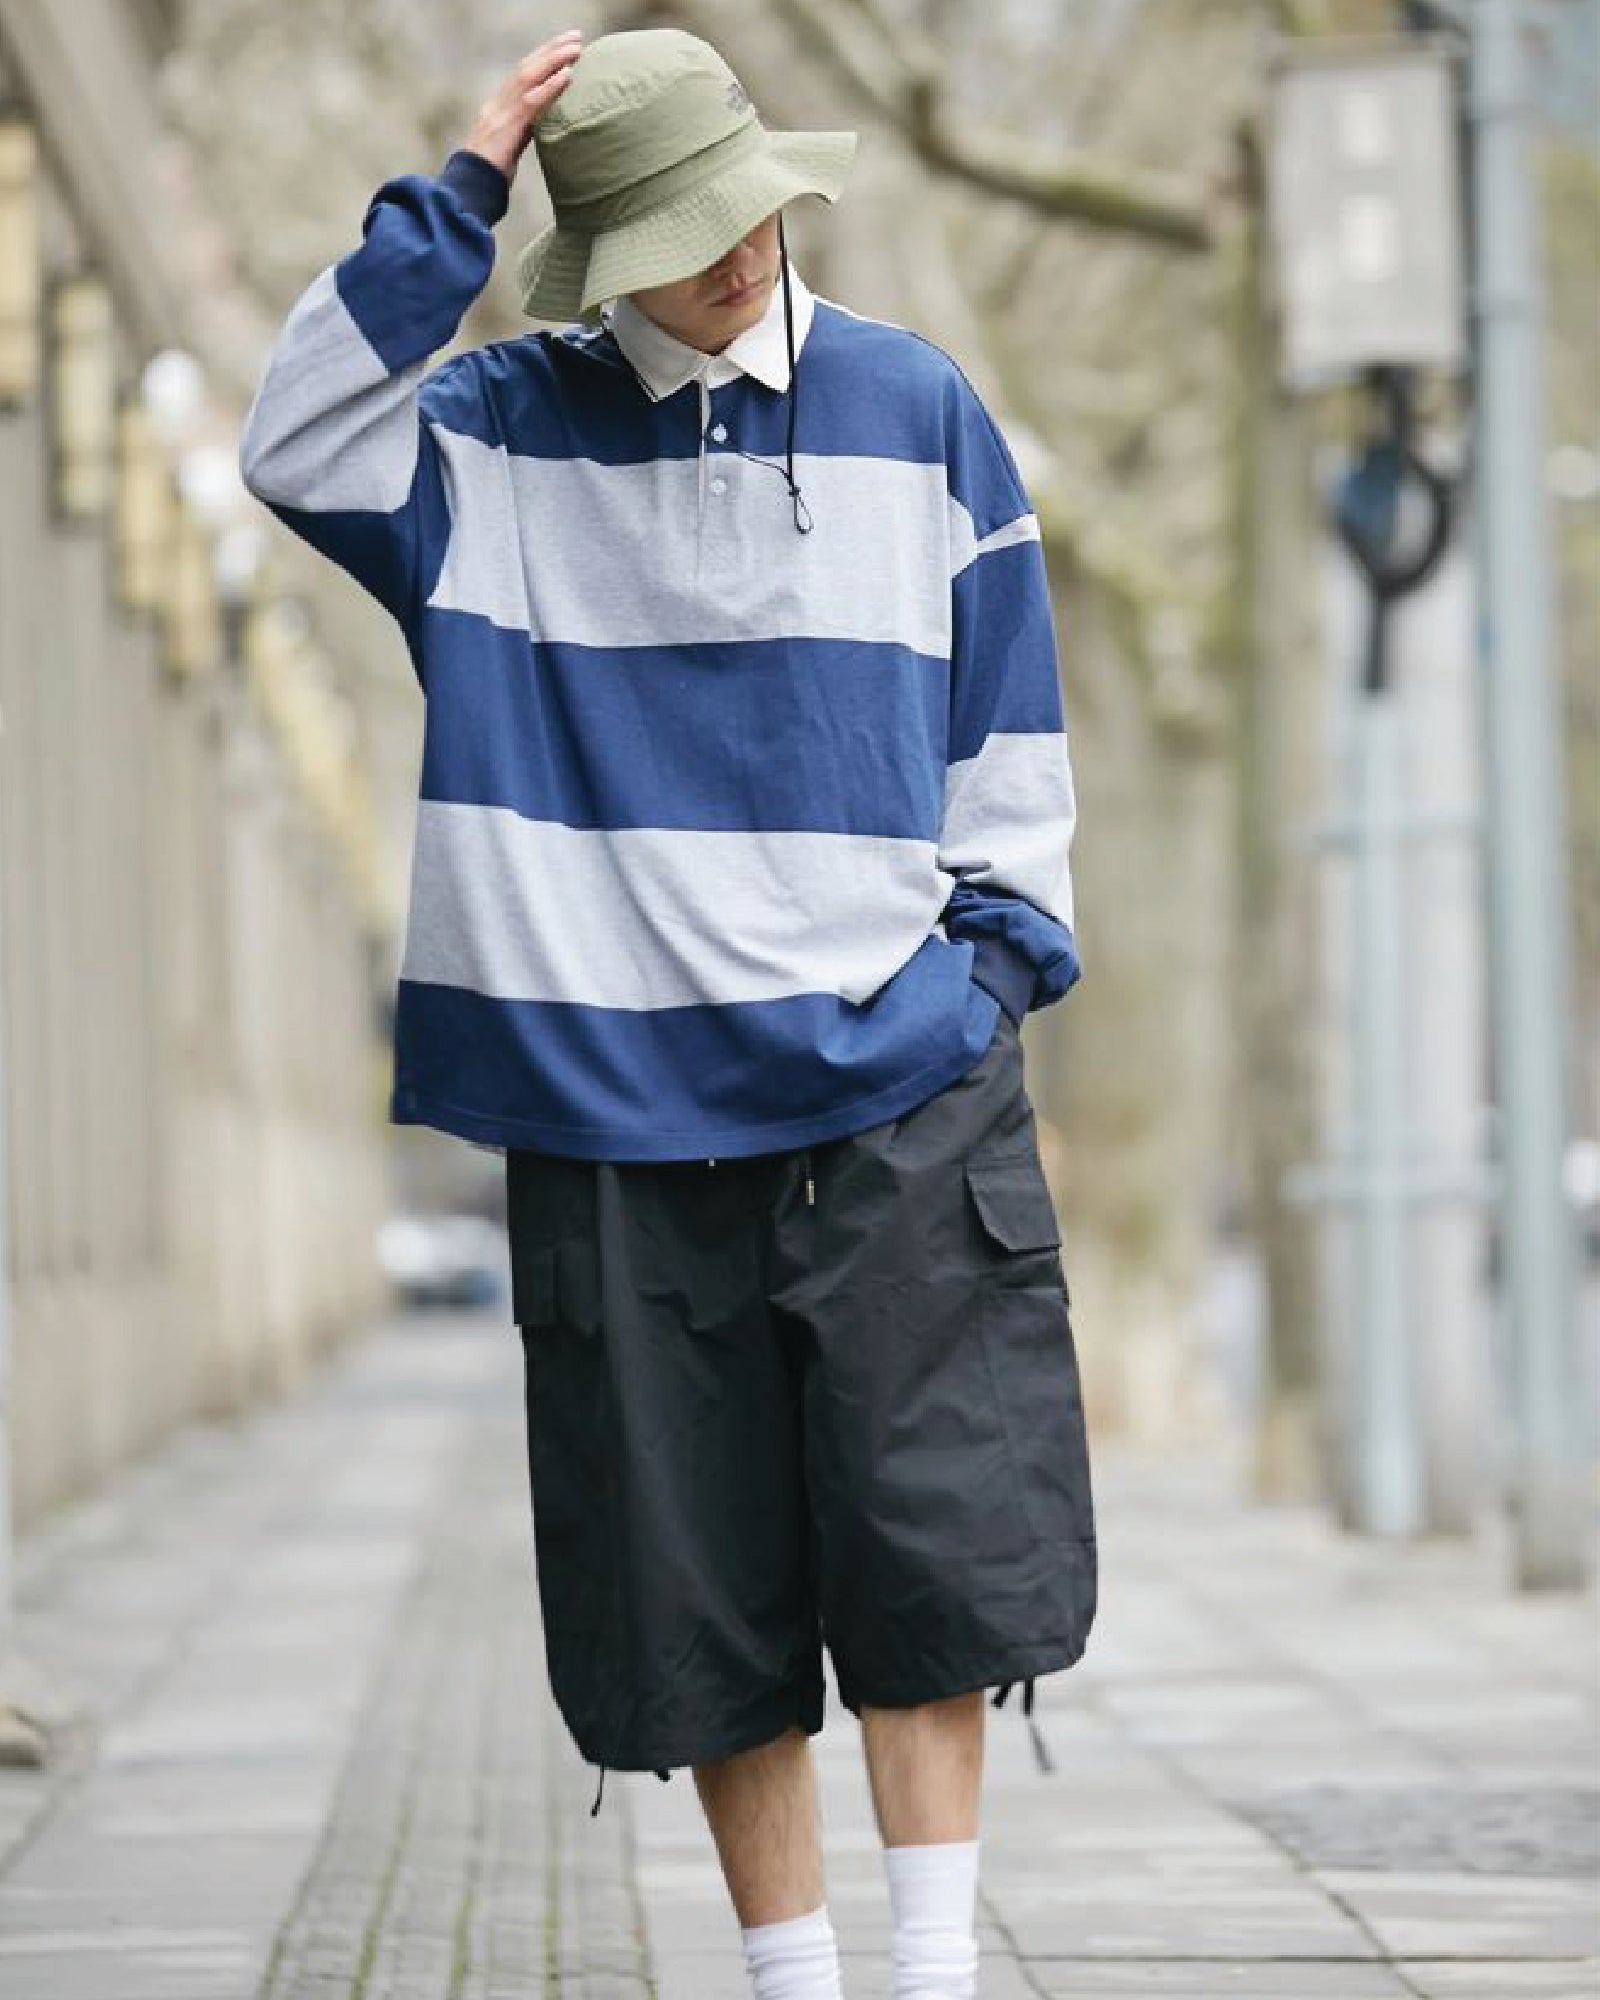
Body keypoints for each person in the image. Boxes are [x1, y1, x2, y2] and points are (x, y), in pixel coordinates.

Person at [238, 25, 1096, 2000]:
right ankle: (790, 1976)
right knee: (686, 1573)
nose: (731, 254)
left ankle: (934, 1972)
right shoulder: (486, 444)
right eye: (673, 233)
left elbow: (1009, 747)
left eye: (744, 211)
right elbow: (291, 440)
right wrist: (454, 190)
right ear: (594, 257)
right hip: (617, 1107)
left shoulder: (916, 407)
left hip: (897, 1083)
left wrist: (982, 979)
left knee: (933, 1549)